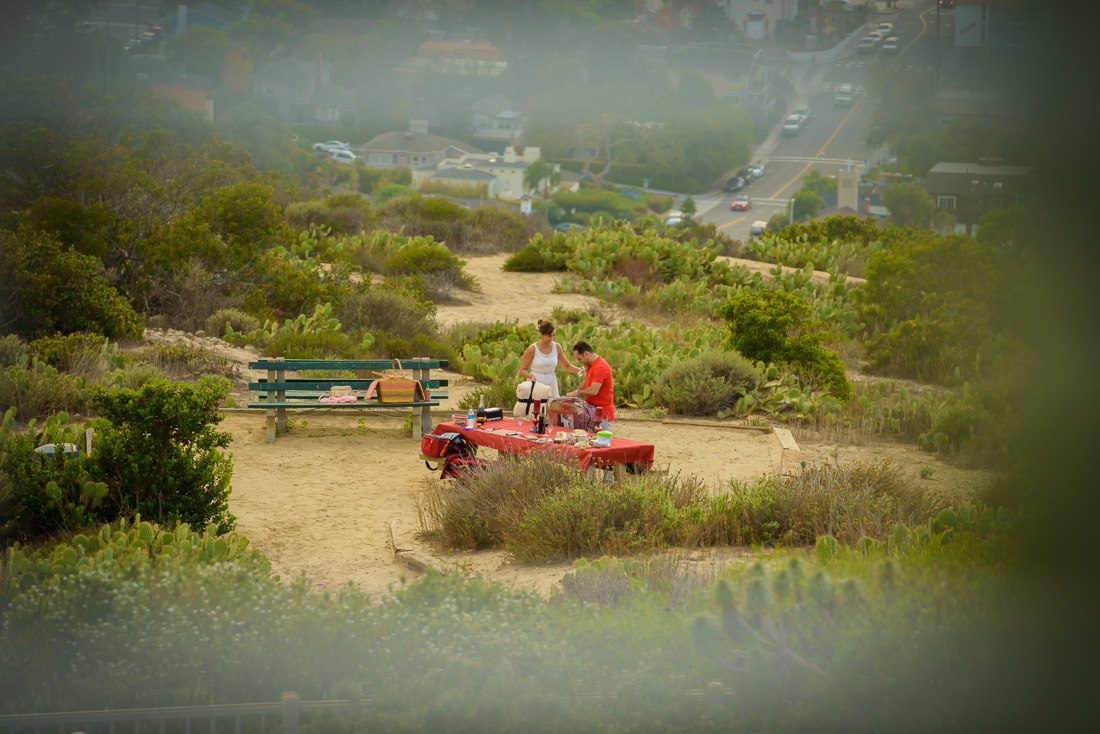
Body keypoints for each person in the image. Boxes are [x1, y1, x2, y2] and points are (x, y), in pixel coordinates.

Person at [518, 320, 583, 398]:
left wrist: (578, 369)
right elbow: (522, 369)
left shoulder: (557, 347)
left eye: (554, 335)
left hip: (551, 383)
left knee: (553, 407)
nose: (552, 338)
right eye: (549, 336)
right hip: (537, 383)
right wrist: (530, 376)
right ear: (541, 334)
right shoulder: (532, 349)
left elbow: (567, 366)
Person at [566, 341, 614, 425]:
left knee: (600, 437)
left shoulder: (600, 367)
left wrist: (577, 393)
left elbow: (593, 391)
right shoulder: (592, 365)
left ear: (586, 353)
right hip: (591, 410)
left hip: (601, 412)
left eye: (579, 359)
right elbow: (586, 383)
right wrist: (573, 393)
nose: (579, 362)